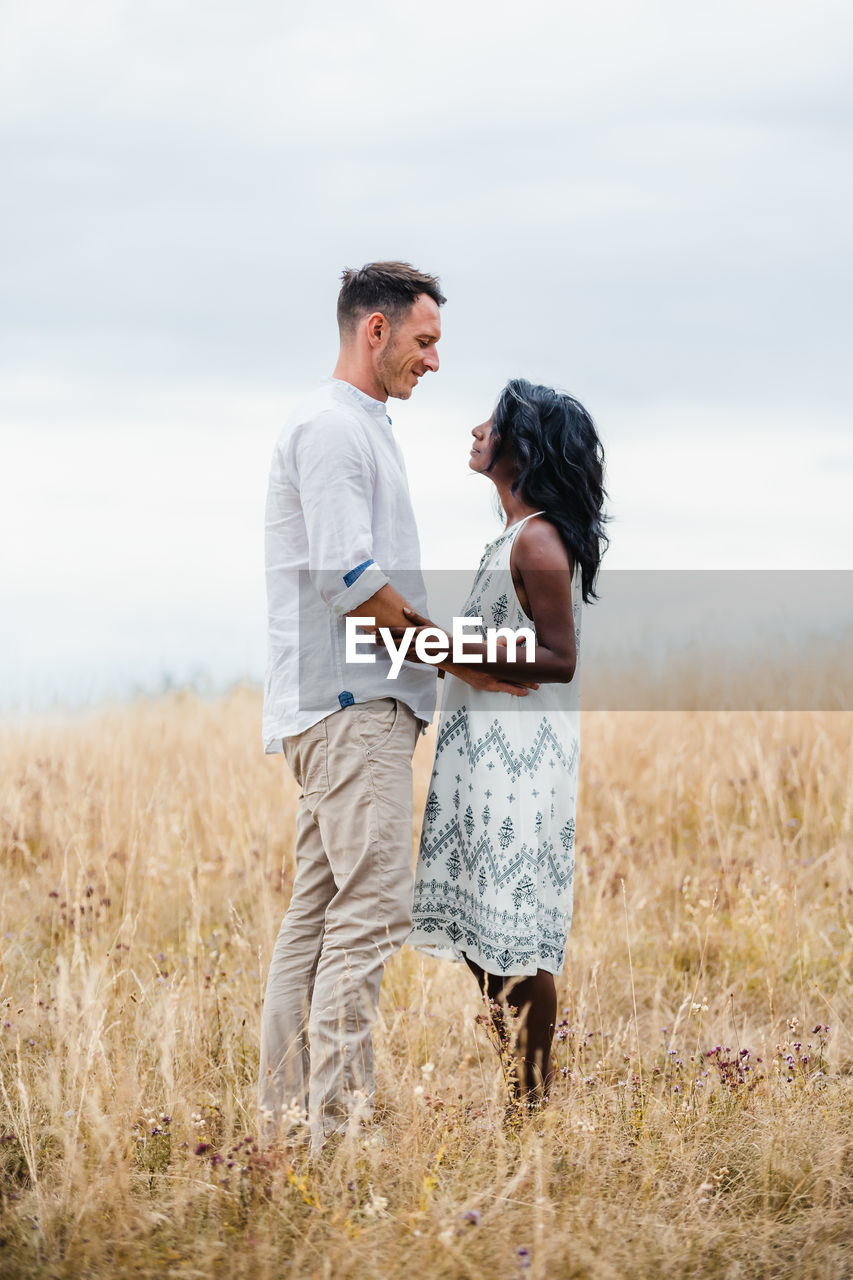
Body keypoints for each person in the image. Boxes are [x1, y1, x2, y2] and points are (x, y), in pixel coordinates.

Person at [259, 263, 532, 1153]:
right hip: (353, 710)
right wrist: (460, 657)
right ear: (372, 331)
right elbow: (351, 583)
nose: (435, 361)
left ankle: (288, 1127)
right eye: (424, 341)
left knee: (316, 915)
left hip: (333, 708)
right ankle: (334, 1141)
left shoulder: (351, 427)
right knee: (370, 916)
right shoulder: (335, 429)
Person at [405, 378, 608, 1108]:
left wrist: (456, 646)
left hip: (518, 761)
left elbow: (559, 656)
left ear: (521, 447)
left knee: (513, 935)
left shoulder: (540, 538)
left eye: (490, 422)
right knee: (480, 931)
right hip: (482, 756)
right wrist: (453, 652)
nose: (474, 429)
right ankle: (524, 1090)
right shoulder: (513, 535)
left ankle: (531, 1100)